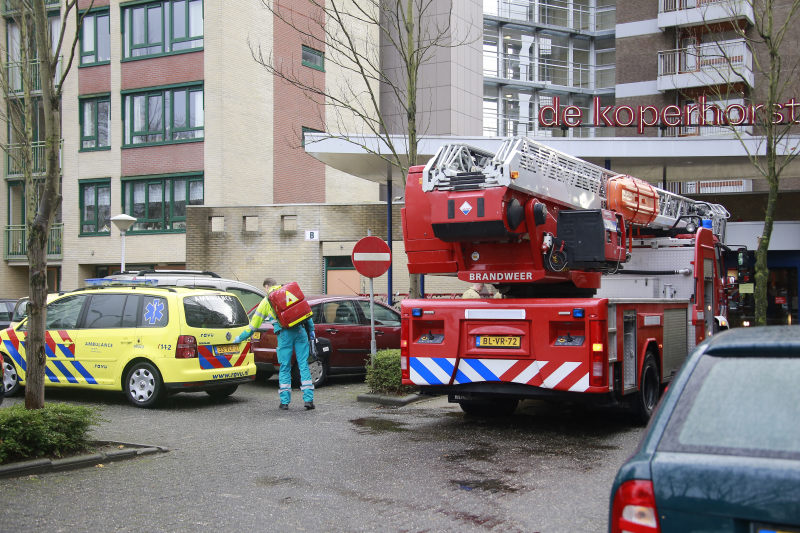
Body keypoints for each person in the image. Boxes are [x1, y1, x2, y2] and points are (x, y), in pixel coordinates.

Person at [234, 278, 316, 410]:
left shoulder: (266, 301)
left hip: (284, 335)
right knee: (303, 365)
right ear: (276, 284)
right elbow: (305, 312)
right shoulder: (290, 292)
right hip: (300, 331)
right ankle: (308, 400)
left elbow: (254, 326)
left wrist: (240, 338)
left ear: (267, 286)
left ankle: (284, 402)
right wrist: (311, 331)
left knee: (284, 367)